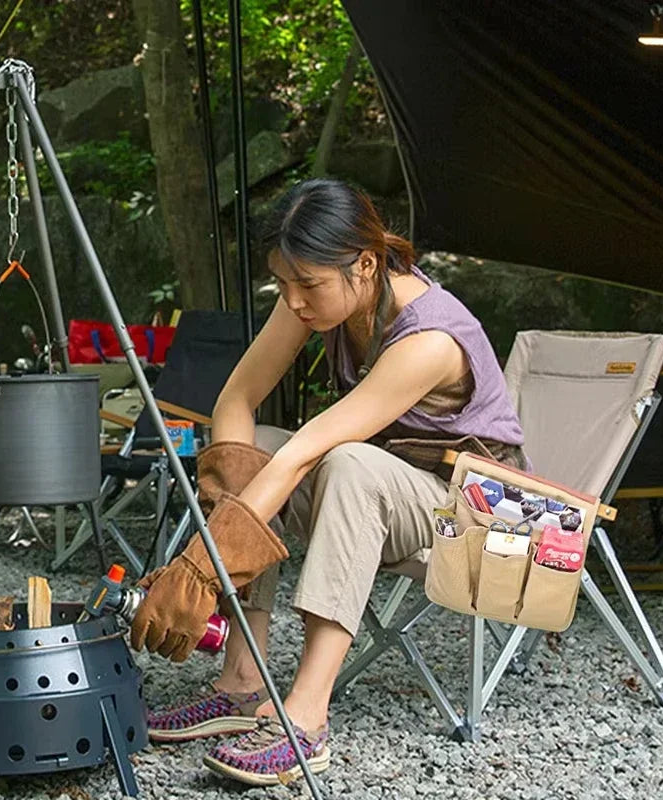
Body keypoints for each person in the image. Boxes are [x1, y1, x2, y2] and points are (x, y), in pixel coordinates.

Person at [129, 178, 527, 786]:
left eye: (306, 284)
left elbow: (312, 450)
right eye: (282, 284)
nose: (292, 301)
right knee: (257, 448)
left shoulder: (429, 339)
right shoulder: (322, 299)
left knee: (343, 462)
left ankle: (306, 717)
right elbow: (236, 398)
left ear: (364, 264)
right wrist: (224, 507)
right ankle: (241, 681)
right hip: (385, 488)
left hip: (475, 506)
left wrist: (200, 569)